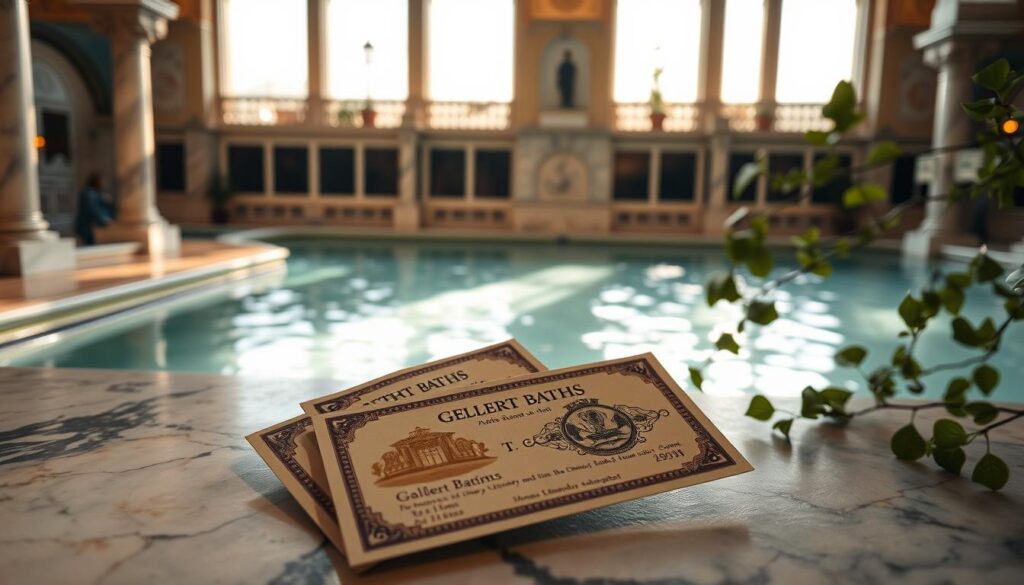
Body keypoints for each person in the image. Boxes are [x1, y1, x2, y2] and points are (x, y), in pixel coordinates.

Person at [74, 173, 112, 246]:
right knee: (88, 245)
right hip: (86, 226)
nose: (103, 183)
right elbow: (92, 209)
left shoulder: (94, 193)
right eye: (101, 181)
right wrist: (103, 219)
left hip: (89, 226)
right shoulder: (89, 194)